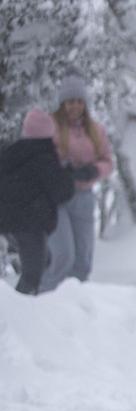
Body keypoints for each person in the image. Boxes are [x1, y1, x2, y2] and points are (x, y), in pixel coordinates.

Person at [42, 73, 113, 291]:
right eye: (71, 101)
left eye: (80, 101)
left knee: (83, 260)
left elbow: (108, 162)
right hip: (58, 199)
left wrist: (93, 170)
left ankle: (76, 308)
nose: (76, 106)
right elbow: (41, 159)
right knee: (64, 255)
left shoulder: (95, 130)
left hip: (84, 197)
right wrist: (62, 169)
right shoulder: (51, 127)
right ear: (63, 103)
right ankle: (43, 302)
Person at [0, 110, 75, 294]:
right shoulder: (45, 157)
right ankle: (21, 310)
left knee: (44, 261)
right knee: (33, 273)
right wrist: (69, 174)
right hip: (30, 222)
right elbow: (61, 192)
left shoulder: (12, 152)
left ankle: (32, 306)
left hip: (9, 221)